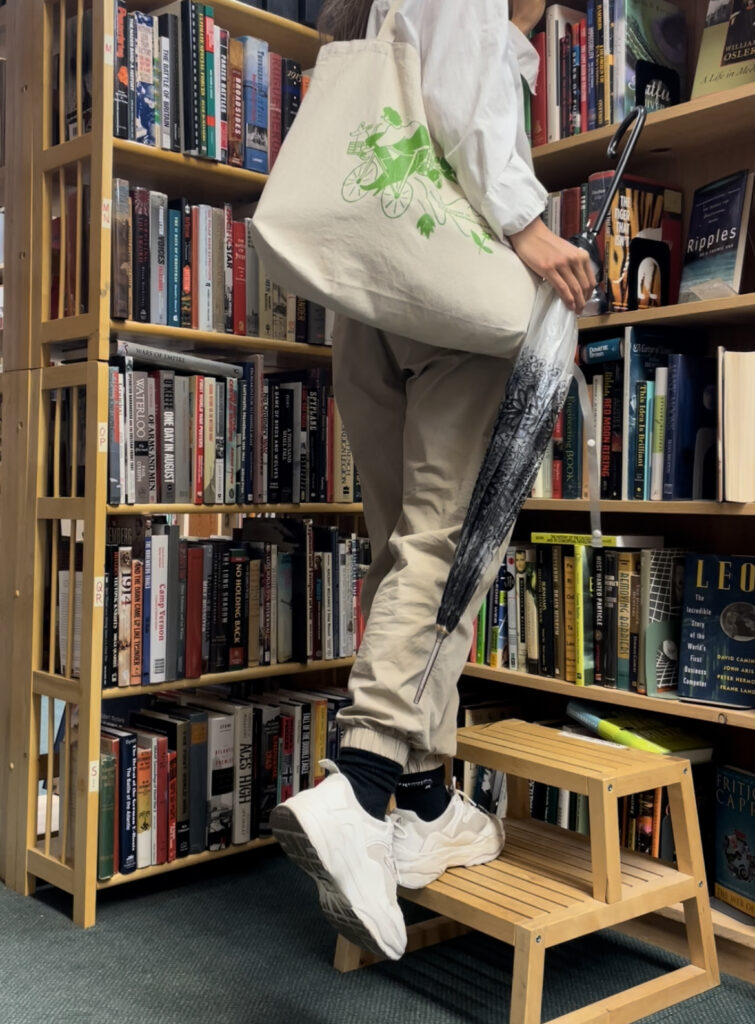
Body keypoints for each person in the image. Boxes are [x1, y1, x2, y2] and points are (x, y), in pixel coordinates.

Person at [270, 0, 595, 962]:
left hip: (376, 290)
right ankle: (363, 781)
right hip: (458, 298)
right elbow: (462, 99)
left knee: (403, 548)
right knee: (449, 543)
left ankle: (418, 799)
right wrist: (529, 227)